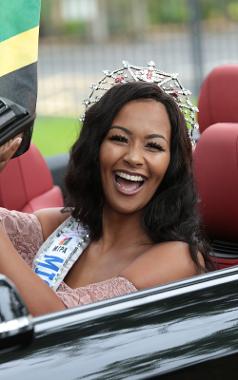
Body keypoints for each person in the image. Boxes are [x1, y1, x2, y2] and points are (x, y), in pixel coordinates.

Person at [0, 68, 211, 317]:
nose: (133, 157)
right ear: (95, 148)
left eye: (153, 146)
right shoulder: (59, 226)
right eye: (119, 139)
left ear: (171, 164)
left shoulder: (178, 258)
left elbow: (61, 326)